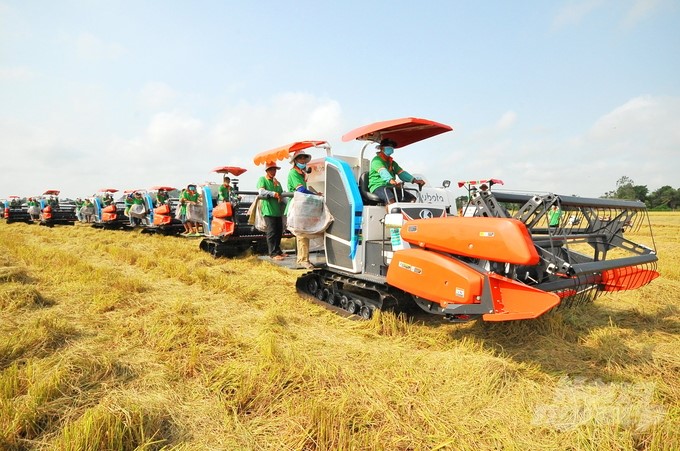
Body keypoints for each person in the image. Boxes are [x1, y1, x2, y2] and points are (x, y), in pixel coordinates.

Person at [287, 150, 321, 268]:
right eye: (300, 158)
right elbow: (300, 190)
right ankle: (302, 259)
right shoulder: (293, 173)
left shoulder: (301, 174)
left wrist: (315, 192)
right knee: (301, 233)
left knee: (303, 232)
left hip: (302, 205)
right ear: (295, 161)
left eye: (303, 158)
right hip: (297, 205)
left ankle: (303, 258)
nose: (302, 160)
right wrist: (315, 195)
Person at [368, 138, 425, 207]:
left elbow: (401, 173)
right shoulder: (376, 161)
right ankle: (391, 217)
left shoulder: (392, 162)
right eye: (389, 146)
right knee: (390, 199)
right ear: (382, 148)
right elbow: (383, 171)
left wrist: (415, 180)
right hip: (378, 186)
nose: (391, 149)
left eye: (392, 147)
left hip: (390, 187)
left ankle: (406, 216)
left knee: (411, 199)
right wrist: (391, 180)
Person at [257, 161, 285, 260]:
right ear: (267, 170)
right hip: (268, 210)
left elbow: (281, 194)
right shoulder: (262, 179)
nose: (274, 171)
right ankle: (272, 253)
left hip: (277, 210)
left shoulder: (277, 182)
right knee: (271, 232)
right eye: (271, 169)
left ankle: (278, 251)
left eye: (275, 170)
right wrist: (274, 194)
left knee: (279, 231)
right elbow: (261, 192)